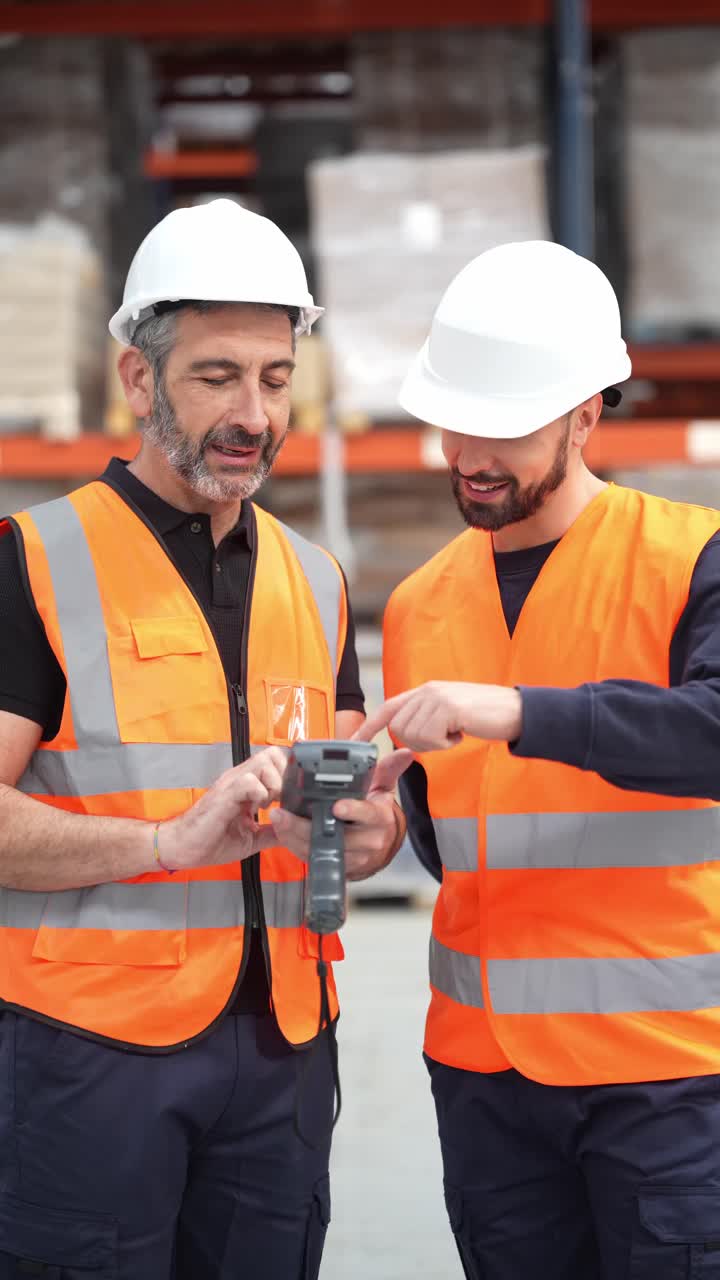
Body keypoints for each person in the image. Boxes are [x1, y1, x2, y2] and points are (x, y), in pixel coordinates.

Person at [0, 198, 406, 1280]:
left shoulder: (316, 580)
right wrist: (163, 842)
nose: (254, 414)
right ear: (139, 380)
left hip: (281, 1046)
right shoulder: (36, 559)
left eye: (275, 378)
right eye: (218, 375)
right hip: (92, 1050)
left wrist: (370, 830)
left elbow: (351, 797)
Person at [357, 240, 720, 1279]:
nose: (471, 450)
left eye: (506, 425)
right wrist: (385, 823)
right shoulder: (426, 600)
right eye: (455, 418)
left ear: (585, 414)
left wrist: (518, 709)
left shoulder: (690, 556)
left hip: (667, 1082)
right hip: (485, 1078)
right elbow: (466, 830)